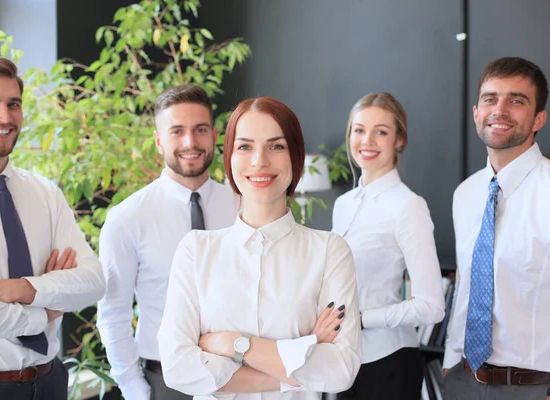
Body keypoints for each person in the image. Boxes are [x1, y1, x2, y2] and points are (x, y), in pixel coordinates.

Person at [157, 96, 362, 399]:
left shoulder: (330, 251)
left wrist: (232, 344)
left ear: (295, 156)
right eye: (245, 146)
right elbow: (177, 368)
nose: (259, 161)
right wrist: (299, 355)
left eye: (276, 146)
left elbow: (340, 371)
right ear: (229, 157)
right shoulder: (196, 250)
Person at [0, 56, 105, 399]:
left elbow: (94, 282)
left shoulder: (44, 192)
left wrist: (19, 289)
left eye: (13, 104)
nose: (4, 117)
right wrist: (47, 310)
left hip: (50, 382)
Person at [96, 84, 239, 400]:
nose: (190, 142)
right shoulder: (127, 217)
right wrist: (135, 389)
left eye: (200, 129)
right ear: (159, 140)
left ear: (215, 134)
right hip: (165, 382)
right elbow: (113, 312)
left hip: (240, 376)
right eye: (177, 131)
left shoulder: (241, 207)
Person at [443, 57, 550, 400]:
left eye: (516, 100)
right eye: (490, 98)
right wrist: (449, 362)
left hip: (535, 387)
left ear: (539, 118)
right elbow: (466, 285)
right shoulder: (465, 194)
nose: (499, 109)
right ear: (476, 112)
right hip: (463, 380)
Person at [332, 92, 446, 400]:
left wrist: (362, 319)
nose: (366, 141)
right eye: (359, 130)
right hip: (345, 361)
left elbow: (432, 306)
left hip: (389, 362)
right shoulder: (343, 204)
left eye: (380, 131)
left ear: (399, 140)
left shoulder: (408, 206)